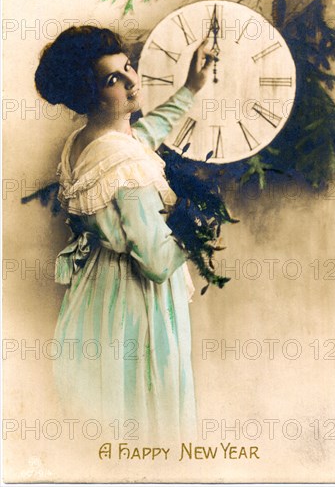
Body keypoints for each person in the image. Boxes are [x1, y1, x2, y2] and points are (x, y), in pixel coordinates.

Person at [35, 25, 215, 443]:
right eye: (113, 79)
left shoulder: (87, 139)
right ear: (91, 94)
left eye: (128, 67)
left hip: (99, 294)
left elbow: (141, 139)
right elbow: (155, 262)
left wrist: (190, 87)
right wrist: (195, 224)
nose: (133, 80)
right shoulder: (120, 162)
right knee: (145, 411)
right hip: (135, 304)